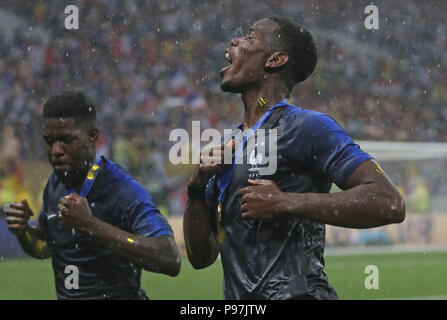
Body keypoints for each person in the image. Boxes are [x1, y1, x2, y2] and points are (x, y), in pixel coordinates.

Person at [183, 16, 405, 300]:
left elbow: (390, 202)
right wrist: (197, 190)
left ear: (275, 60)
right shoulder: (228, 147)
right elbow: (201, 257)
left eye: (250, 37)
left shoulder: (307, 126)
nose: (235, 41)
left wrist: (286, 202)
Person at [4, 91, 181, 300]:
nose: (56, 150)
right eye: (50, 141)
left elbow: (169, 257)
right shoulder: (55, 183)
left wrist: (90, 225)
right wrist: (23, 232)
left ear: (92, 137)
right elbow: (44, 247)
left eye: (66, 140)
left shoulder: (122, 189)